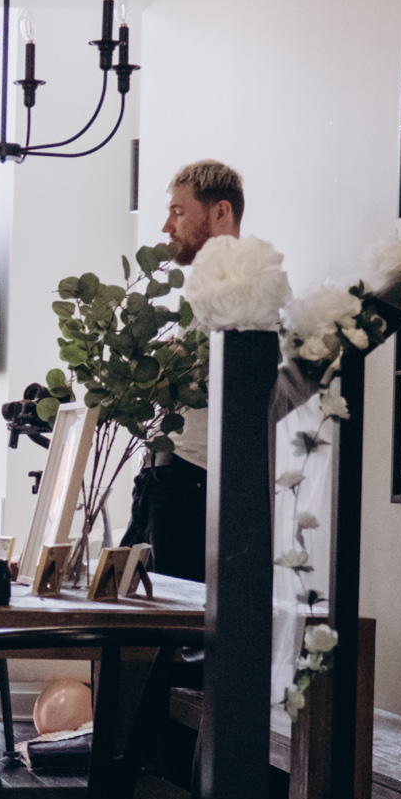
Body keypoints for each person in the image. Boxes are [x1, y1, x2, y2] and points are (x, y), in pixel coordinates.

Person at [132, 156, 244, 585]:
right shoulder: (204, 288)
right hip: (164, 474)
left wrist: (173, 363)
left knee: (168, 612)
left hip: (192, 481)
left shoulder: (245, 287)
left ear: (220, 212)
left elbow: (238, 382)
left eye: (178, 212)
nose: (167, 227)